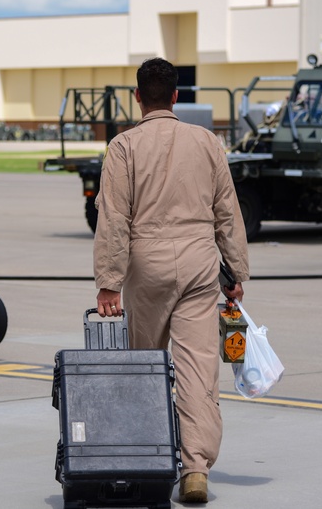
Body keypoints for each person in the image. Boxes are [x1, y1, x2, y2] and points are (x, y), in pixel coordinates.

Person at [93, 57, 249, 504]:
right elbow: (227, 212)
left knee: (146, 365)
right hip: (201, 264)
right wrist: (234, 273)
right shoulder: (206, 142)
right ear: (177, 96)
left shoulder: (123, 147)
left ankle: (148, 457)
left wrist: (108, 281)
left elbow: (114, 218)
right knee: (199, 367)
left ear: (138, 97)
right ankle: (196, 468)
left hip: (148, 265)